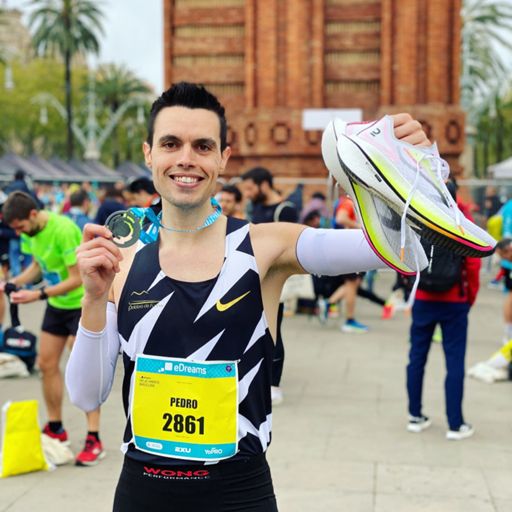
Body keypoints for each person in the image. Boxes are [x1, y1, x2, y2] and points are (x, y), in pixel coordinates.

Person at [65, 82, 430, 511]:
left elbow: (404, 250)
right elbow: (86, 396)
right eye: (171, 143)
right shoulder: (122, 259)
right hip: (143, 492)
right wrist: (93, 299)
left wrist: (419, 168)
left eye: (203, 146)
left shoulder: (265, 246)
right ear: (149, 154)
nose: (186, 159)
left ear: (224, 158)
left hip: (239, 493)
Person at [0, 191, 104, 466]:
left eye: (20, 226)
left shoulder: (64, 230)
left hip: (80, 304)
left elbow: (76, 278)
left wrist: (37, 295)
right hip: (56, 305)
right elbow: (38, 265)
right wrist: (13, 283)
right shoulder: (30, 232)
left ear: (33, 215)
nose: (18, 232)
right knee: (46, 364)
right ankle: (56, 427)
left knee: (84, 370)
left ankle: (94, 437)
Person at [406, 181, 481, 441]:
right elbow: (473, 264)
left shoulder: (420, 217)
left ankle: (415, 416)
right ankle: (455, 424)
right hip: (454, 300)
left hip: (423, 298)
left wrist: (411, 290)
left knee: (417, 358)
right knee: (454, 362)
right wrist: (469, 298)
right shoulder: (461, 220)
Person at [241, 166, 299, 405]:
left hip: (276, 279)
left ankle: (274, 383)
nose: (247, 193)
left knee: (274, 329)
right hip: (255, 277)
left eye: (250, 188)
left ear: (263, 184)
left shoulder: (285, 210)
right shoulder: (255, 207)